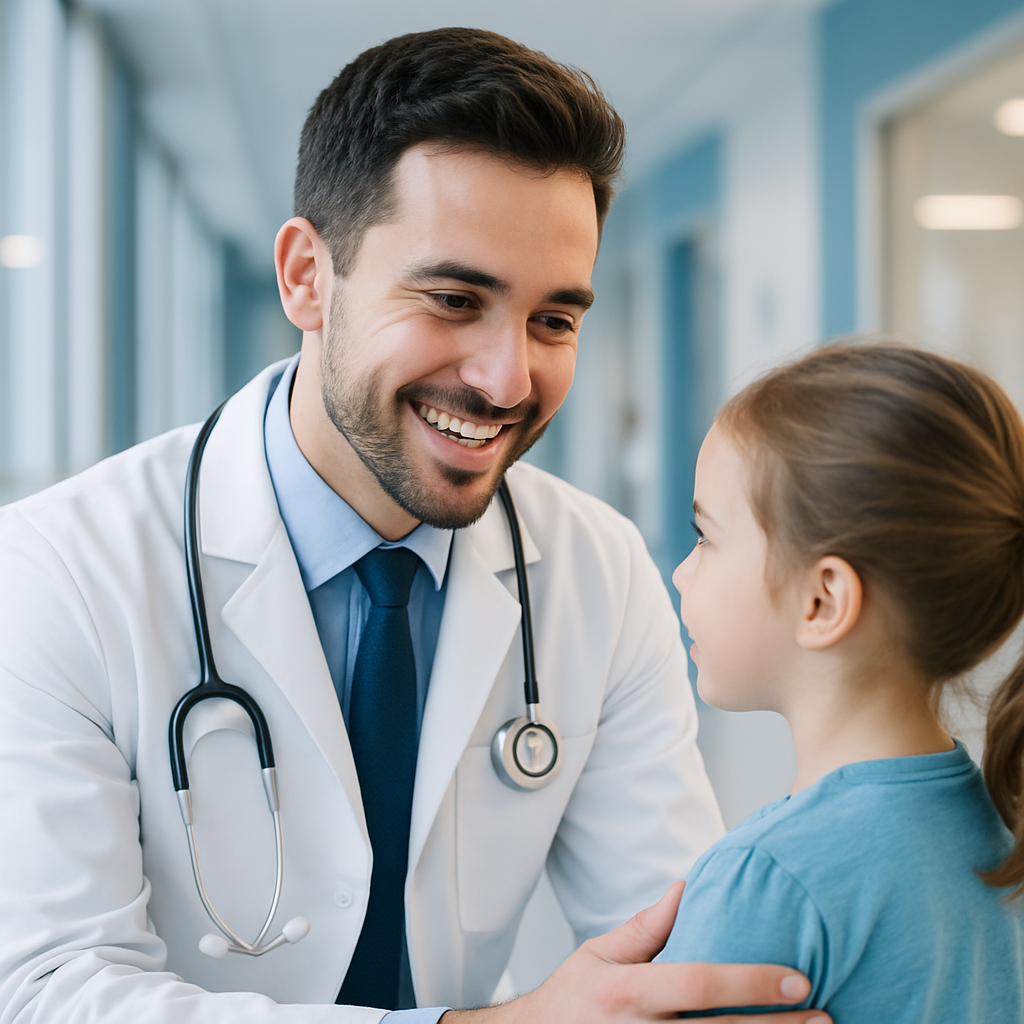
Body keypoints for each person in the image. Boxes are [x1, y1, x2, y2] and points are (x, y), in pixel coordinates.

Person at [0, 27, 830, 1024]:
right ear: (307, 277)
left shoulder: (596, 570)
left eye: (554, 320)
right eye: (453, 298)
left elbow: (667, 941)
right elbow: (49, 991)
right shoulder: (57, 569)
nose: (507, 379)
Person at [661, 342, 1024, 1020]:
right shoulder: (1000, 838)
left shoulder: (769, 880)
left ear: (822, 601)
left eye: (705, 536)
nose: (682, 572)